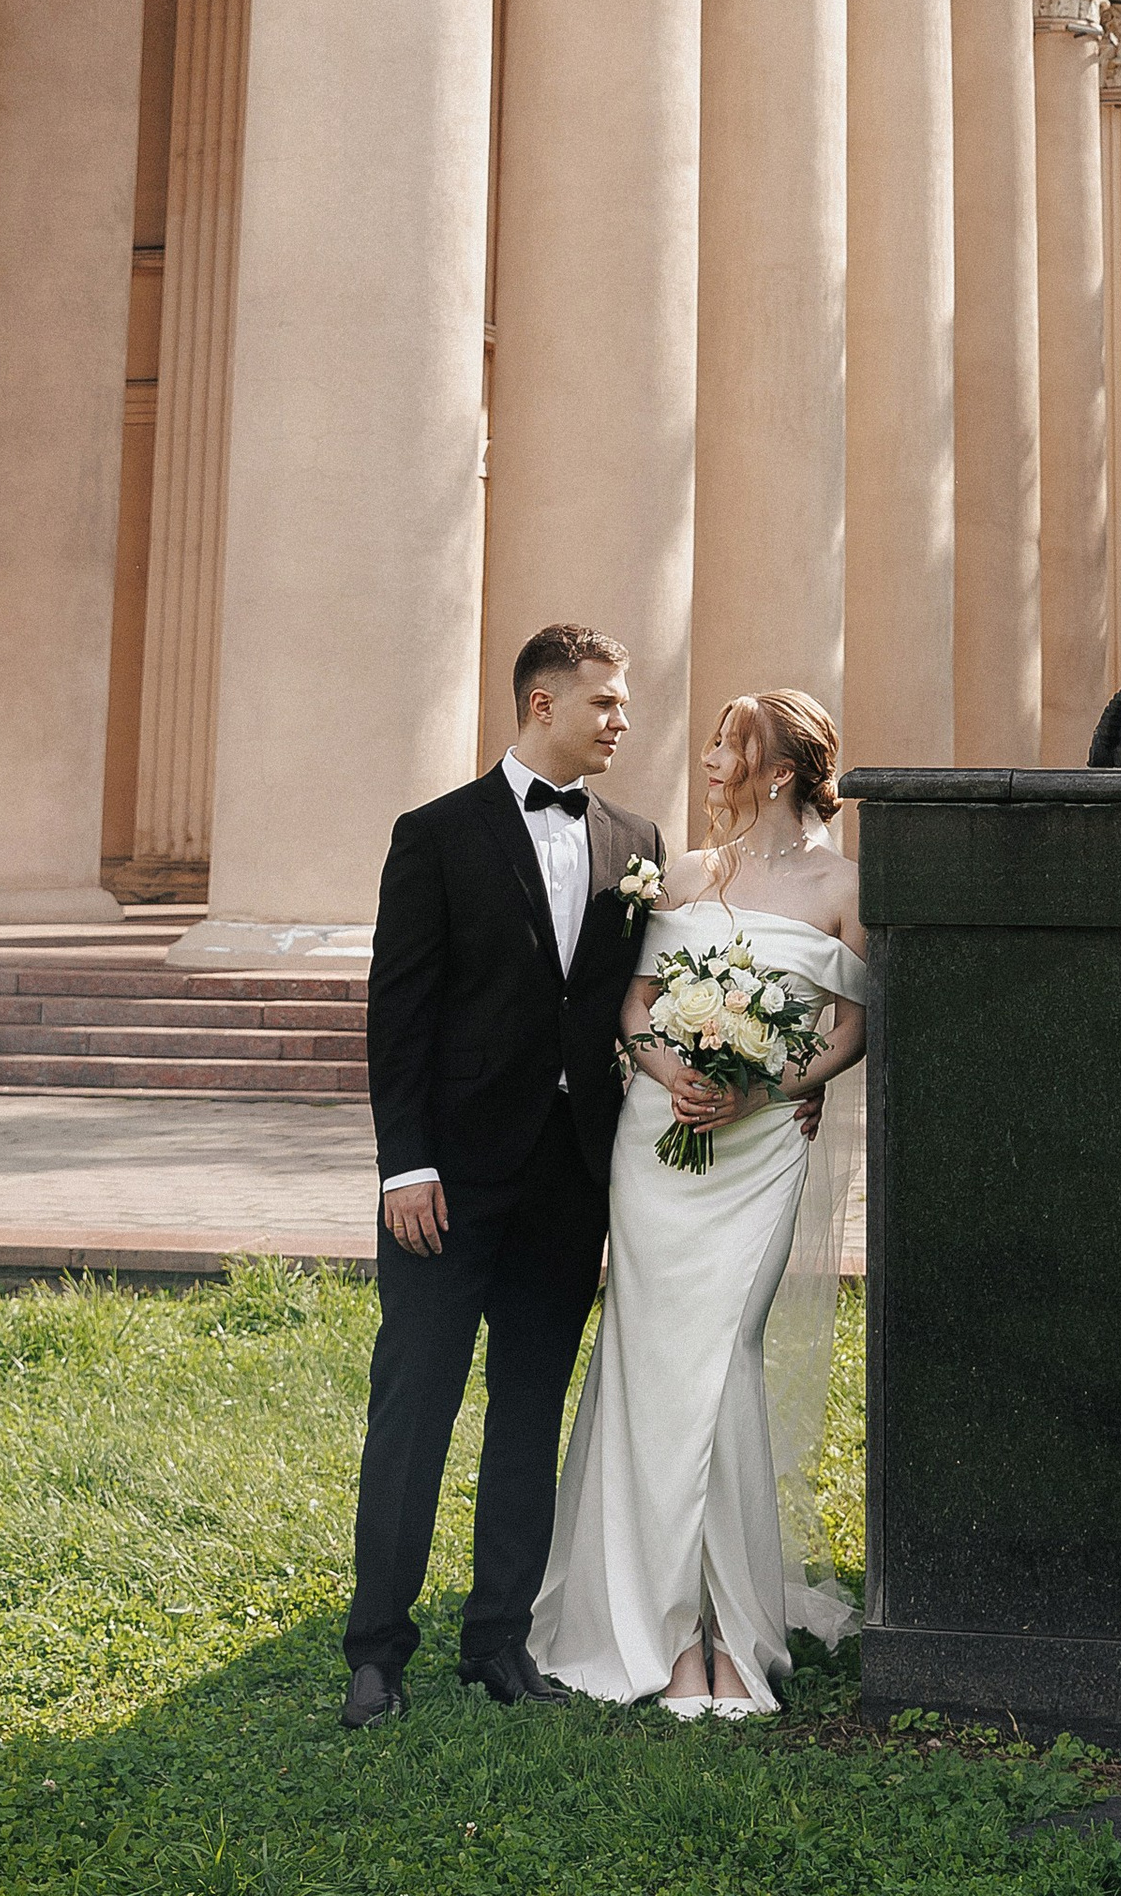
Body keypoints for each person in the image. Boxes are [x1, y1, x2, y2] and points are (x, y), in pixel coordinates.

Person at [340, 625, 664, 1727]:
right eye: (605, 703)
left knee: (528, 1415)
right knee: (413, 1410)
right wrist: (406, 1166)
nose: (622, 719)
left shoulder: (636, 837)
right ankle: (376, 1652)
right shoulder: (433, 834)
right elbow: (400, 1014)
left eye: (623, 704)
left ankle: (498, 1642)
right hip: (448, 1184)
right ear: (541, 705)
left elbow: (630, 1006)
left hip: (570, 1184)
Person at [530, 689, 867, 1718]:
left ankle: (731, 1627)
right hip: (659, 1149)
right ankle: (666, 1631)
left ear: (777, 772)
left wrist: (770, 1087)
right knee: (648, 1367)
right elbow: (634, 1001)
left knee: (725, 1360)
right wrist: (669, 1065)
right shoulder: (681, 874)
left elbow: (855, 1023)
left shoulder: (846, 886)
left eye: (731, 745)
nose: (711, 759)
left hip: (761, 1145)